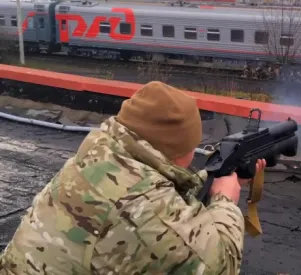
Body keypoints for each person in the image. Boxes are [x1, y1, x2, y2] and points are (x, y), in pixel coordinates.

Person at [0, 81, 266, 275]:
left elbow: (148, 195)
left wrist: (212, 181)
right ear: (175, 148)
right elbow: (221, 266)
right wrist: (224, 200)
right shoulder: (147, 208)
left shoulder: (100, 153)